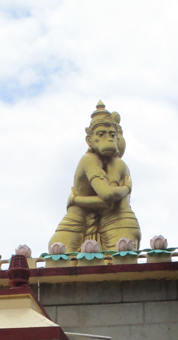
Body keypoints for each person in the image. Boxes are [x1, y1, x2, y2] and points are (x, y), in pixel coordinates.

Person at [49, 101, 142, 252]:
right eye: (101, 134)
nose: (109, 139)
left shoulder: (115, 163)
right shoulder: (90, 160)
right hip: (76, 226)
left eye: (112, 135)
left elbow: (108, 198)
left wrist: (74, 200)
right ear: (90, 140)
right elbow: (107, 197)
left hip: (117, 224)